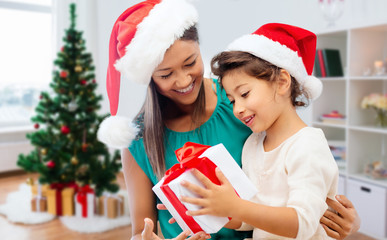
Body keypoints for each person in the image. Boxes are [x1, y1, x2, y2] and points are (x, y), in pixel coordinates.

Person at [96, 0, 360, 239]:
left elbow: (299, 184)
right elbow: (142, 231)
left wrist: (346, 221)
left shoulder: (241, 101)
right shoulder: (139, 139)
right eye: (166, 74)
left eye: (190, 63)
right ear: (149, 77)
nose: (184, 80)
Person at [179, 23, 353, 239]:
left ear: (282, 82)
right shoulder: (252, 145)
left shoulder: (307, 145)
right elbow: (248, 220)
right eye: (232, 101)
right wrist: (212, 207)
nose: (238, 109)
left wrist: (235, 206)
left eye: (244, 94)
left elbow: (303, 223)